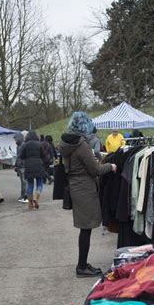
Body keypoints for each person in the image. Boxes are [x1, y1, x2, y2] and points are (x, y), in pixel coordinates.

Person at [59, 112, 117, 278]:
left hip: (75, 186)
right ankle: (82, 266)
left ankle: (83, 264)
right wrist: (111, 166)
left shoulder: (67, 142)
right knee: (86, 229)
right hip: (84, 188)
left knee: (85, 229)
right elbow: (95, 170)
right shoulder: (81, 144)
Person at [19, 131, 45, 209]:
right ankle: (36, 196)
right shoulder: (40, 144)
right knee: (40, 182)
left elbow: (21, 156)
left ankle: (30, 202)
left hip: (28, 165)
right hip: (38, 164)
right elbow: (43, 155)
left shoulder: (24, 145)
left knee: (30, 184)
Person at [14, 133, 28, 203]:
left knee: (24, 181)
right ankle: (23, 195)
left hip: (23, 166)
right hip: (20, 166)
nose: (15, 141)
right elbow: (18, 157)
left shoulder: (23, 145)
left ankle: (25, 195)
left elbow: (23, 156)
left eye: (15, 139)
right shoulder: (18, 146)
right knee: (22, 182)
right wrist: (16, 165)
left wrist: (22, 163)